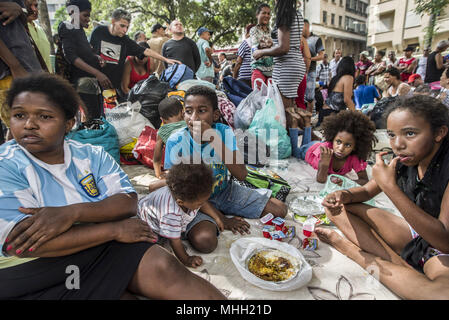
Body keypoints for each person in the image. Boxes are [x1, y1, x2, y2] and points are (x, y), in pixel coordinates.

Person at [0, 73, 226, 300]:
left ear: (69, 123)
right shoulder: (6, 164)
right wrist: (114, 230)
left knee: (167, 271)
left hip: (101, 247)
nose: (29, 124)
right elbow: (21, 245)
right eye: (19, 115)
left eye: (44, 116)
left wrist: (71, 213)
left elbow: (127, 201)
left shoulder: (91, 155)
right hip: (31, 270)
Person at [315, 95, 449, 300]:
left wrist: (390, 187)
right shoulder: (403, 162)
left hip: (442, 251)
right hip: (417, 238)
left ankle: (355, 253)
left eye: (410, 133)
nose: (398, 144)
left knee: (441, 294)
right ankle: (402, 269)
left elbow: (443, 241)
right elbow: (367, 192)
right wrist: (343, 195)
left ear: (439, 133)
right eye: (392, 135)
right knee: (338, 208)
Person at [151, 86, 288, 251]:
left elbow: (241, 174)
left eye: (201, 111)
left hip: (225, 191)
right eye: (188, 111)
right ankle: (213, 216)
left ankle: (223, 210)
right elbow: (178, 190)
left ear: (215, 115)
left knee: (279, 210)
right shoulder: (176, 140)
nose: (194, 118)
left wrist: (212, 138)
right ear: (183, 114)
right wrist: (220, 217)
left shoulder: (223, 132)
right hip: (193, 201)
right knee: (205, 241)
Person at [90, 9, 180, 101]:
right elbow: (89, 51)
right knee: (92, 113)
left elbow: (145, 51)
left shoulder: (125, 40)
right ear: (113, 21)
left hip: (111, 87)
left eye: (127, 27)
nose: (125, 30)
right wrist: (97, 61)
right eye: (122, 26)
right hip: (94, 83)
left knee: (109, 113)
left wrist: (165, 59)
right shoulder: (98, 32)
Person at [139, 163, 216, 268]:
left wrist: (218, 218)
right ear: (180, 202)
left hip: (153, 206)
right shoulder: (170, 214)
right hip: (146, 222)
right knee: (154, 252)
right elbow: (174, 241)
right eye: (200, 204)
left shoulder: (184, 193)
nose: (202, 205)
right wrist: (186, 259)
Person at [253, 0, 309, 131]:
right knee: (290, 109)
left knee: (283, 113)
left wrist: (261, 52)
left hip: (286, 67)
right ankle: (306, 136)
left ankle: (303, 141)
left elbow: (284, 48)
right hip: (296, 64)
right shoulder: (297, 14)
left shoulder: (284, 14)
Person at [58, 0, 111, 121]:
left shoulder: (79, 31)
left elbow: (85, 53)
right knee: (90, 121)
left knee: (95, 119)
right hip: (82, 84)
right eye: (85, 15)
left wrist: (97, 58)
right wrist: (98, 73)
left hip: (91, 84)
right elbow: (71, 56)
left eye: (89, 15)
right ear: (73, 12)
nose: (88, 19)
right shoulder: (67, 27)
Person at [292, 110, 375, 185]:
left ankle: (307, 121)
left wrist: (346, 182)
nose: (341, 148)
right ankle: (294, 124)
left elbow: (364, 180)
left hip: (320, 144)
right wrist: (324, 163)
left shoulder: (355, 158)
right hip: (310, 150)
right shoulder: (325, 152)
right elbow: (321, 180)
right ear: (333, 139)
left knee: (306, 142)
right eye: (338, 142)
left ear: (355, 147)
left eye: (348, 145)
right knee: (295, 152)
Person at [0, 0, 43, 143]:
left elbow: (22, 21)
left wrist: (20, 9)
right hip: (12, 74)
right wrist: (15, 66)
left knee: (26, 132)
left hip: (28, 70)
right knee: (24, 132)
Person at [153, 97, 186, 179]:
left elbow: (157, 157)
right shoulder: (190, 124)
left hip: (178, 174)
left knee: (152, 187)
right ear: (182, 112)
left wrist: (158, 174)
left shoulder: (162, 132)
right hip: (199, 167)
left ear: (162, 120)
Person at [320, 56, 356, 123]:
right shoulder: (348, 77)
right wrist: (356, 116)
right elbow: (347, 100)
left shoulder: (335, 78)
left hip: (324, 113)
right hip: (333, 115)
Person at [25, 0, 52, 73]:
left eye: (36, 5)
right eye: (29, 6)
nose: (34, 9)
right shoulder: (20, 29)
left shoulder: (39, 29)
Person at [250, 3, 273, 89]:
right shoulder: (254, 30)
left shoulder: (272, 32)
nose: (266, 16)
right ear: (257, 15)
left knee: (272, 99)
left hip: (272, 71)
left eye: (268, 13)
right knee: (258, 98)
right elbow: (254, 49)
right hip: (258, 68)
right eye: (264, 13)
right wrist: (262, 45)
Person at [305, 20, 325, 113]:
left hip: (311, 71)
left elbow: (321, 56)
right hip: (299, 71)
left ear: (307, 26)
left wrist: (309, 59)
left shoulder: (316, 39)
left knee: (310, 97)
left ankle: (308, 120)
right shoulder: (298, 37)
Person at [233, 23, 255, 87]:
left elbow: (238, 62)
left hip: (245, 77)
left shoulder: (245, 43)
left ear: (248, 32)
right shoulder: (260, 42)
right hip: (257, 76)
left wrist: (234, 77)